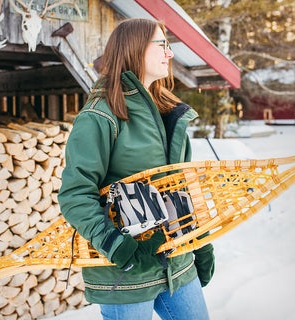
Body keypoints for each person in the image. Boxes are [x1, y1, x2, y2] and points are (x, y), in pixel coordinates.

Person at [58, 18, 215, 320]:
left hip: (177, 264)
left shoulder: (171, 111)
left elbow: (184, 185)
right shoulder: (100, 115)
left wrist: (201, 244)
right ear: (135, 48)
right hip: (127, 274)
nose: (169, 53)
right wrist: (117, 247)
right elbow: (75, 194)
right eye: (162, 45)